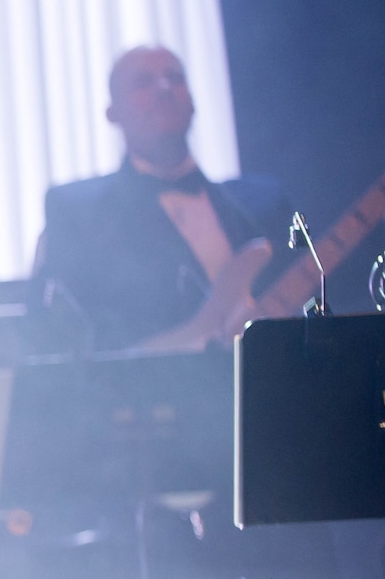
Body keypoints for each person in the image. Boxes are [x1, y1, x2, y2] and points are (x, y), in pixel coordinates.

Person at [35, 46, 291, 352]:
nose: (164, 88)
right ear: (112, 113)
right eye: (143, 82)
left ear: (194, 103)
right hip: (152, 393)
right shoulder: (79, 209)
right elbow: (60, 332)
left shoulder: (263, 200)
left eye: (175, 78)